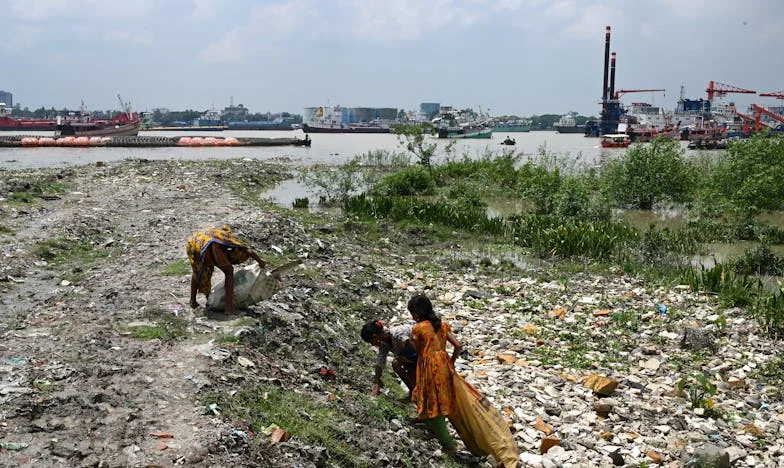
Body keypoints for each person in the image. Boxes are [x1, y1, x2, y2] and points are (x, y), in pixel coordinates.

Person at [407, 294, 463, 458]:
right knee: (442, 399)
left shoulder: (419, 328)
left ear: (416, 313)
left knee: (431, 401)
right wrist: (450, 361)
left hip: (429, 366)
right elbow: (458, 345)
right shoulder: (442, 325)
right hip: (444, 364)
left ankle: (449, 445)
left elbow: (418, 351)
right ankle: (438, 433)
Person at [186, 225, 266, 315]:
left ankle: (193, 301)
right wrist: (260, 262)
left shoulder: (216, 233)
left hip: (193, 244)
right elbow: (248, 250)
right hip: (209, 245)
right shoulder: (228, 237)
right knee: (229, 271)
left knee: (197, 271)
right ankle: (229, 308)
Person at [360, 320, 418, 400]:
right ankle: (415, 393)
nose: (372, 344)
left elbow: (414, 347)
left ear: (375, 336)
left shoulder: (396, 333)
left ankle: (414, 392)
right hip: (410, 356)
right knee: (414, 381)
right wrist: (377, 383)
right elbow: (380, 361)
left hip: (420, 350)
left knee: (396, 364)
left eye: (371, 342)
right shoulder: (384, 342)